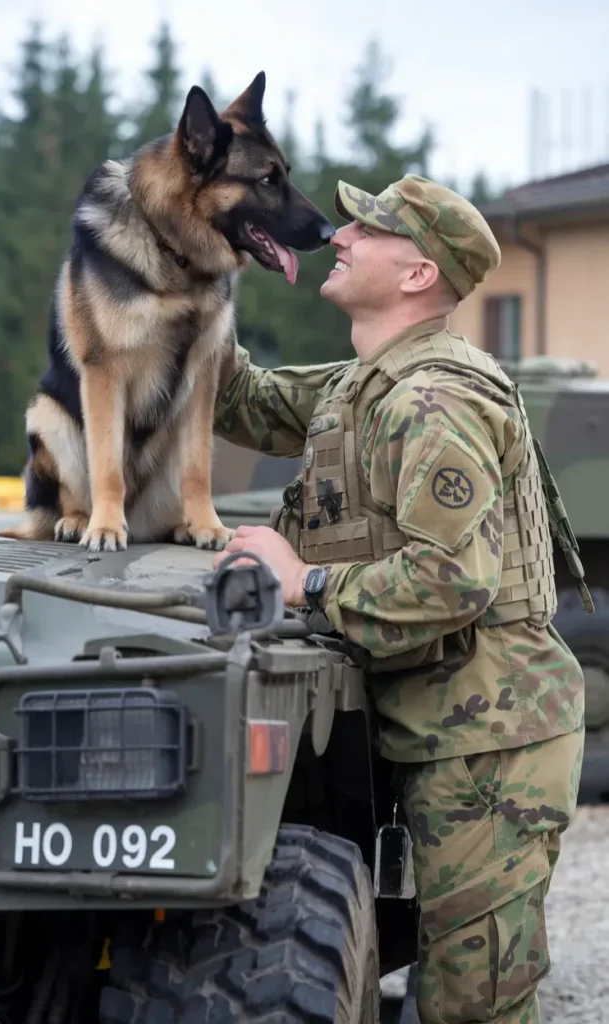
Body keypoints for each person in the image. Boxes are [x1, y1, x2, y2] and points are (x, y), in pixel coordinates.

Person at [211, 173, 588, 1024]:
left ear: (418, 273)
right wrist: (202, 262)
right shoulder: (366, 382)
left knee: (472, 1004)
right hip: (440, 722)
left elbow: (452, 580)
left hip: (490, 739)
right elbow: (245, 400)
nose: (337, 237)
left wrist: (300, 579)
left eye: (364, 229)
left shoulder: (432, 397)